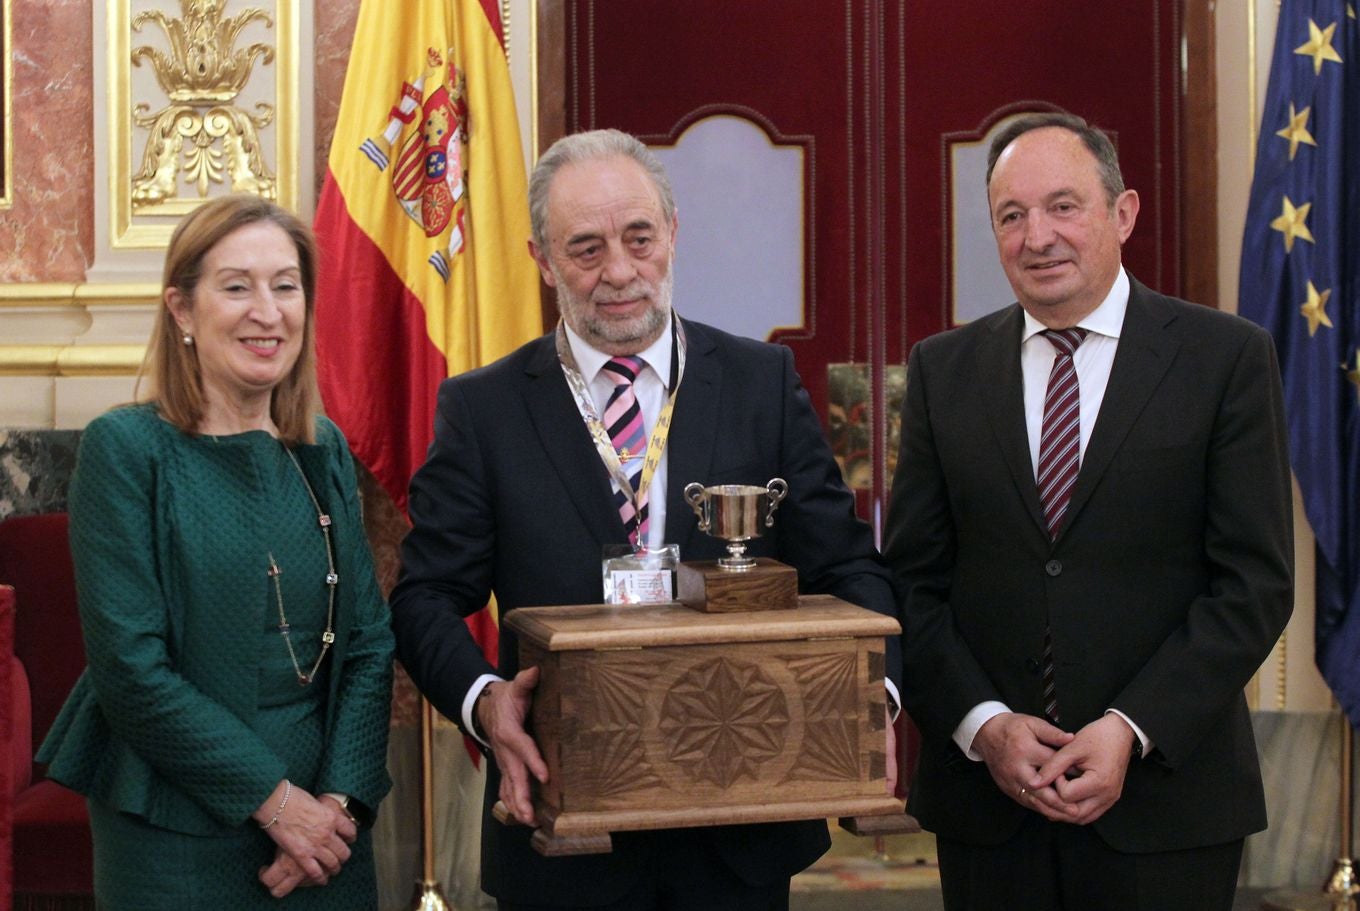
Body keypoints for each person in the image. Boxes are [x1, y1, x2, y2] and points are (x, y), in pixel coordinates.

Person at [389, 128, 903, 911]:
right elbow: (424, 596)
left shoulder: (761, 382)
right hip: (564, 828)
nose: (619, 272)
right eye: (586, 249)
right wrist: (486, 700)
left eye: (639, 238)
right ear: (542, 258)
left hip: (739, 828)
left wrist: (874, 699)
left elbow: (849, 569)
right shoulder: (484, 408)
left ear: (672, 233)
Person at [883, 110, 1294, 910]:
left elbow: (1254, 582)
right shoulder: (943, 371)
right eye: (1012, 215)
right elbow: (914, 581)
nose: (1038, 237)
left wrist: (1130, 727)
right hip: (991, 807)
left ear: (1123, 213)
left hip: (1168, 803)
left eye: (1063, 206)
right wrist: (983, 724)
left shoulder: (1226, 358)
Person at [37, 195, 395, 909]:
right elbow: (131, 670)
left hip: (328, 833)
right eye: (236, 286)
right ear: (181, 309)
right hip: (176, 823)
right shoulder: (128, 449)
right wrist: (276, 804)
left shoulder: (321, 449)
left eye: (285, 285)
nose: (267, 311)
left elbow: (367, 646)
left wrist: (338, 805)